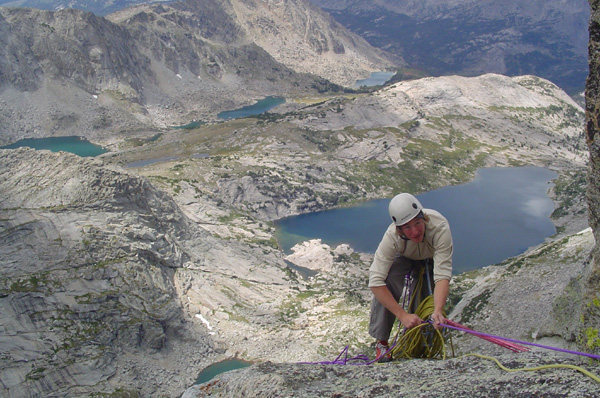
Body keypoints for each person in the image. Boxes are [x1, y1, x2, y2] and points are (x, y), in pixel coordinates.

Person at [368, 193, 453, 362]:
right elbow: (375, 282)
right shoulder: (392, 236)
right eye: (407, 227)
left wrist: (437, 310)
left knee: (424, 301)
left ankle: (420, 340)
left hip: (429, 259)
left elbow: (442, 275)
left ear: (424, 218)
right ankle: (382, 342)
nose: (414, 231)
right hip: (405, 256)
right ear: (399, 229)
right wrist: (402, 315)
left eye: (417, 223)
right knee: (389, 277)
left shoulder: (439, 227)